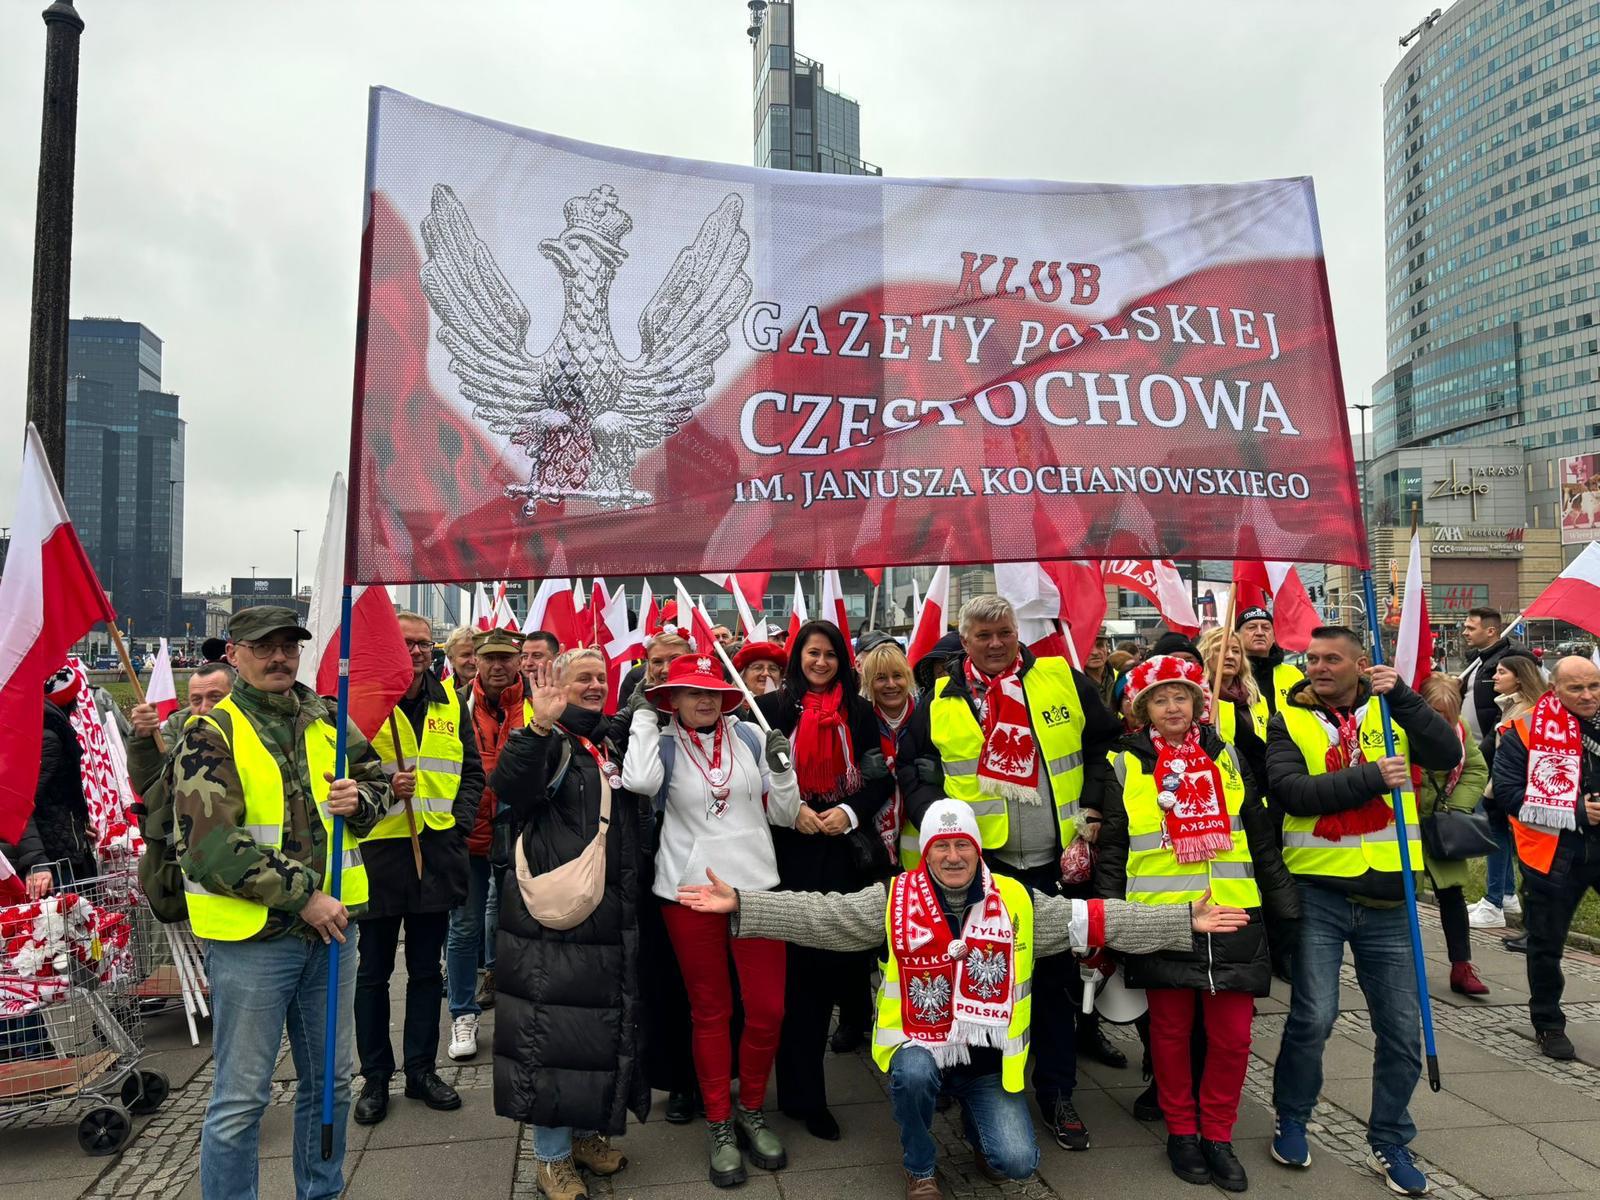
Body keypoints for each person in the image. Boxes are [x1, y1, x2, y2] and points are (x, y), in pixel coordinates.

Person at [677, 799, 1252, 1200]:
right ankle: (920, 1167)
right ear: (925, 853)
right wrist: (744, 904)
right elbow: (821, 914)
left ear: (978, 851)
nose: (952, 856)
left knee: (1016, 1163)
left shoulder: (1018, 902)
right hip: (917, 1049)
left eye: (963, 846)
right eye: (941, 846)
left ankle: (979, 1128)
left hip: (987, 1064)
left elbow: (1095, 919)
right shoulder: (892, 899)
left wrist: (1183, 920)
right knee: (913, 1076)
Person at [173, 606, 389, 1200]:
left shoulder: (328, 718)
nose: (279, 658)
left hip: (331, 937)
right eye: (263, 647)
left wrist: (362, 801)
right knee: (241, 1100)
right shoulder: (210, 732)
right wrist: (305, 897)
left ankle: (321, 1191)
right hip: (254, 943)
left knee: (331, 1086)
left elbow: (378, 783)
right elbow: (209, 847)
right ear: (234, 655)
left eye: (289, 646)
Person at [898, 594, 1122, 1152]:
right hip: (985, 870)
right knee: (980, 984)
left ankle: (1057, 1092)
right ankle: (982, 1090)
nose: (996, 643)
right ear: (964, 641)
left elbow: (1105, 742)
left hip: (1056, 863)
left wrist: (1093, 806)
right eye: (983, 635)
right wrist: (939, 825)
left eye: (1004, 632)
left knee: (1054, 985)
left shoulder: (1062, 679)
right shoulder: (939, 700)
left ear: (1017, 631)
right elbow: (912, 771)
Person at [1266, 626, 1460, 1197]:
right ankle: (1292, 1118)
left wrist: (1403, 696)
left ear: (1360, 664)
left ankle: (1390, 1138)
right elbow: (1292, 792)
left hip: (1390, 896)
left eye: (1332, 658)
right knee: (1314, 1017)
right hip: (1319, 892)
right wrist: (1371, 777)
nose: (1318, 667)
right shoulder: (1289, 718)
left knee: (1400, 1029)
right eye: (1312, 658)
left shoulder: (1392, 709)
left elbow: (1447, 754)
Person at [1097, 656, 1297, 1192]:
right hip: (1162, 918)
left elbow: (1258, 831)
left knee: (1232, 1039)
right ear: (1144, 709)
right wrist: (1110, 921)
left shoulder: (1226, 753)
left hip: (1232, 912)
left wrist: (1285, 906)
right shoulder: (1123, 762)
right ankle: (1182, 1132)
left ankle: (1218, 1135)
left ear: (1197, 703)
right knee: (1169, 1035)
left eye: (1181, 697)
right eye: (1160, 699)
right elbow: (1113, 848)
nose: (1172, 708)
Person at [621, 651, 799, 1188]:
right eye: (692, 692)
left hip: (756, 888)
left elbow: (784, 813)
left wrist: (783, 771)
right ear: (672, 698)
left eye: (714, 692)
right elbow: (639, 782)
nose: (705, 701)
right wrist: (645, 714)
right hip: (690, 891)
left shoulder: (749, 735)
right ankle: (720, 1122)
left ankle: (751, 1109)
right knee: (710, 1011)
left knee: (767, 1011)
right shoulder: (662, 741)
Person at [489, 649, 645, 1200]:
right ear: (559, 685)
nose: (595, 685)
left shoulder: (605, 741)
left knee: (592, 1033)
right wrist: (538, 724)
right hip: (554, 920)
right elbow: (509, 787)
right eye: (583, 678)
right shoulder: (550, 739)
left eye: (601, 677)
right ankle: (551, 1157)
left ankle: (583, 1137)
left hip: (607, 914)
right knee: (550, 1038)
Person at [756, 619, 894, 1140]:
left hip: (841, 851)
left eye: (830, 654)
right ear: (798, 657)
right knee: (799, 982)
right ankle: (803, 1095)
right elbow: (751, 781)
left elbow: (878, 781)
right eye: (812, 653)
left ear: (842, 660)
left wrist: (849, 812)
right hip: (787, 851)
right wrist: (790, 810)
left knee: (837, 968)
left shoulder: (858, 712)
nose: (821, 662)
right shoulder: (770, 710)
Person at [351, 613, 486, 1124]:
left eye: (425, 643)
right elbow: (339, 774)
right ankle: (375, 1077)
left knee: (428, 972)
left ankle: (422, 1070)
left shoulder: (449, 700)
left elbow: (470, 771)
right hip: (378, 852)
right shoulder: (364, 703)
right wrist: (385, 791)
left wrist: (458, 824)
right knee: (373, 972)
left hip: (436, 851)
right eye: (406, 643)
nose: (417, 651)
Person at [1489, 656, 1600, 1061]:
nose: (1587, 696)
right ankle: (1548, 1024)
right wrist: (1575, 810)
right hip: (1554, 855)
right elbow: (1507, 795)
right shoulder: (1523, 730)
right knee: (1546, 945)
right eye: (1576, 688)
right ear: (1554, 689)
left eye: (1594, 686)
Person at [446, 626, 529, 1056]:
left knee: (524, 928)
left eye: (505, 658)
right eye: (489, 658)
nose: (497, 666)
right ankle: (462, 1015)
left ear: (518, 661)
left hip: (523, 835)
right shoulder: (454, 703)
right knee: (464, 928)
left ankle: (524, 1014)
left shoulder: (536, 703)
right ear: (475, 661)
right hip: (470, 835)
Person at [1413, 674, 1491, 998]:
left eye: (1448, 715)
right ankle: (1402, 965)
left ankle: (1461, 966)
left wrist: (1455, 806)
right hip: (1407, 824)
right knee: (1401, 896)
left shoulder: (1460, 731)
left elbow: (1476, 769)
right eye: (1435, 715)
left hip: (1442, 826)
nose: (1443, 724)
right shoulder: (1401, 730)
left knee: (1452, 895)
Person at [1, 667, 96, 899]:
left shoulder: (39, 728)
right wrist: (36, 862)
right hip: (50, 862)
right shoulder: (48, 736)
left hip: (54, 848)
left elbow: (52, 797)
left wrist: (76, 826)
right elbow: (17, 803)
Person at [1469, 650, 1546, 932]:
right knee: (1500, 836)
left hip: (1511, 787)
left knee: (1497, 839)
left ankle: (1494, 903)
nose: (1494, 677)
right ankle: (1506, 895)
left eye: (1502, 672)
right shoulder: (1512, 706)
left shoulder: (1525, 711)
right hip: (1508, 785)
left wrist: (1493, 791)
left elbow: (1511, 756)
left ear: (1520, 678)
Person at [129, 663, 236, 793]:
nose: (204, 708)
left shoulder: (251, 723)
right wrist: (143, 742)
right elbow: (153, 782)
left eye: (215, 698)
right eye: (196, 700)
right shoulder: (177, 724)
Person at [861, 639, 920, 871]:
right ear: (868, 683)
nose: (891, 684)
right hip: (873, 842)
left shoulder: (927, 716)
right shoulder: (859, 721)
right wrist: (859, 771)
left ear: (908, 678)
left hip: (917, 836)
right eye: (881, 678)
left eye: (897, 676)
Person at [1197, 626, 1267, 788]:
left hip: (1256, 786)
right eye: (1220, 649)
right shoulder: (1199, 699)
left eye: (1236, 651)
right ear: (1206, 655)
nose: (1229, 656)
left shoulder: (1256, 698)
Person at [1237, 607, 1305, 740]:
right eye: (1252, 627)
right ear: (1237, 636)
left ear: (1274, 637)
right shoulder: (1231, 674)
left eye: (1266, 628)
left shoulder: (1293, 674)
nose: (1260, 633)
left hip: (1289, 746)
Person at [1458, 606, 1514, 748]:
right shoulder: (1476, 659)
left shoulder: (1507, 662)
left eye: (1471, 628)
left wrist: (1486, 750)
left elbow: (1506, 711)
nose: (1465, 633)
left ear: (1490, 631)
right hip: (1469, 746)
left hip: (1488, 749)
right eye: (1465, 627)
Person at [1085, 635, 1117, 711]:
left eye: (1100, 645)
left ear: (1107, 648)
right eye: (1088, 645)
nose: (1095, 652)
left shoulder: (1120, 679)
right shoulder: (1072, 684)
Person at [441, 625, 477, 689]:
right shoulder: (440, 691)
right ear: (451, 659)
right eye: (466, 655)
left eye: (477, 654)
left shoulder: (495, 689)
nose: (473, 661)